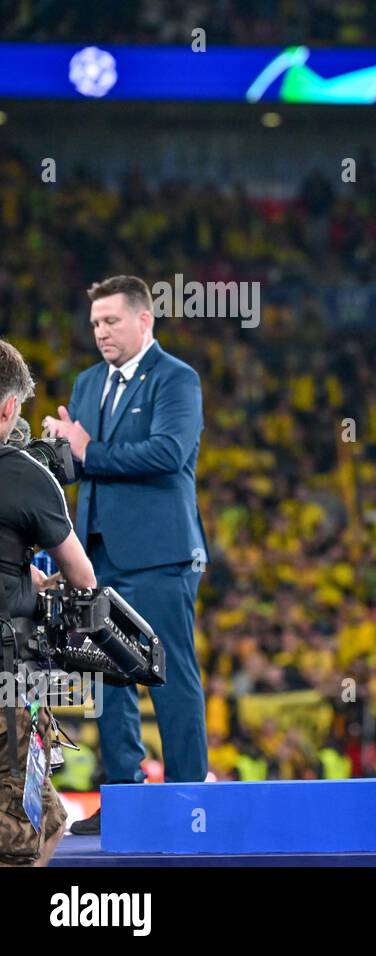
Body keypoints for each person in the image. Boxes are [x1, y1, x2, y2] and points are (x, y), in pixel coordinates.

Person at [42, 276, 209, 835]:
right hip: (98, 556)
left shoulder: (176, 380)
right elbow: (83, 465)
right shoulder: (89, 383)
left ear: (144, 320)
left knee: (171, 676)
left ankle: (189, 799)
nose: (101, 332)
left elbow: (168, 452)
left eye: (111, 320)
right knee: (108, 678)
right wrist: (60, 450)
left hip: (160, 556)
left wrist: (90, 449)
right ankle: (122, 800)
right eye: (94, 323)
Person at [0, 339, 97, 866]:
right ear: (11, 407)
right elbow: (82, 577)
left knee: (52, 822)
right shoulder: (24, 473)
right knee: (17, 841)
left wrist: (22, 584)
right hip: (7, 682)